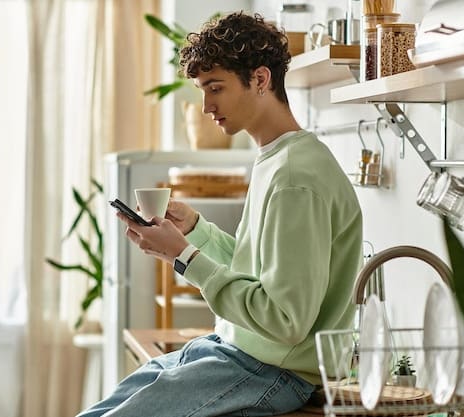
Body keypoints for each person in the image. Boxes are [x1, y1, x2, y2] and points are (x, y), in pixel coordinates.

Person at [78, 11, 363, 417]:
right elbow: (264, 275)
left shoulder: (296, 177)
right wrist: (195, 231)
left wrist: (185, 258)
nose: (206, 106)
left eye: (216, 88)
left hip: (270, 370)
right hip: (235, 350)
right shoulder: (278, 160)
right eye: (202, 90)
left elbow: (286, 320)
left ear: (261, 80)